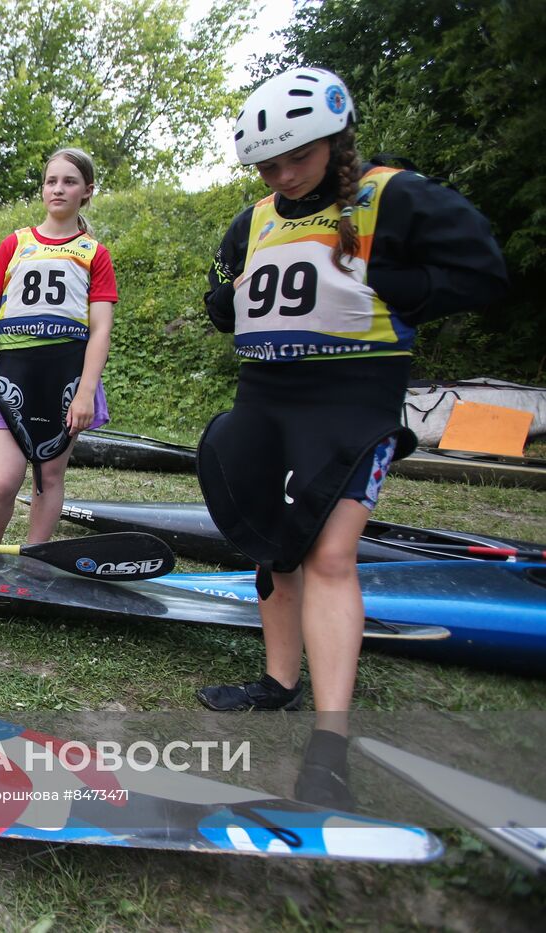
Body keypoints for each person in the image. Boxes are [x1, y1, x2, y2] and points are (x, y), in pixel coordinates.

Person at [196, 67, 508, 807]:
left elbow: (483, 273)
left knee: (330, 554)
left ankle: (330, 740)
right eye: (267, 165)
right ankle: (277, 681)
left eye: (294, 159)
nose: (281, 175)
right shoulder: (256, 217)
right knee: (272, 542)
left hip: (351, 398)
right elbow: (221, 305)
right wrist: (224, 297)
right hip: (265, 396)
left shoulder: (393, 195)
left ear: (335, 139)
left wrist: (390, 277)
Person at [0, 147, 117, 544]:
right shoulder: (15, 244)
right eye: (52, 181)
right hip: (15, 372)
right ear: (42, 189)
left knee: (49, 475)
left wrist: (86, 391)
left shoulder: (94, 253)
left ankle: (36, 560)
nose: (59, 189)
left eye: (69, 182)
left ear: (86, 191)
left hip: (66, 372)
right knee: (4, 479)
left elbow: (101, 329)